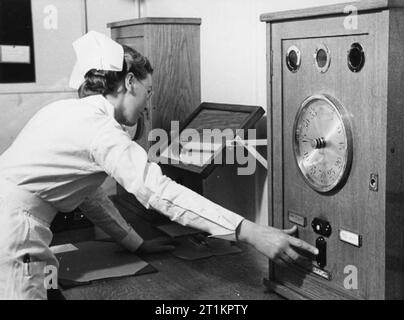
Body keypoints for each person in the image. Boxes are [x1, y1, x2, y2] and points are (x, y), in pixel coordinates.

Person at [0, 31, 318, 300]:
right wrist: (250, 231)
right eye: (148, 91)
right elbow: (159, 191)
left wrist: (135, 242)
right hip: (16, 237)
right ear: (129, 82)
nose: (148, 103)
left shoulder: (67, 111)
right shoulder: (100, 129)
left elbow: (90, 196)